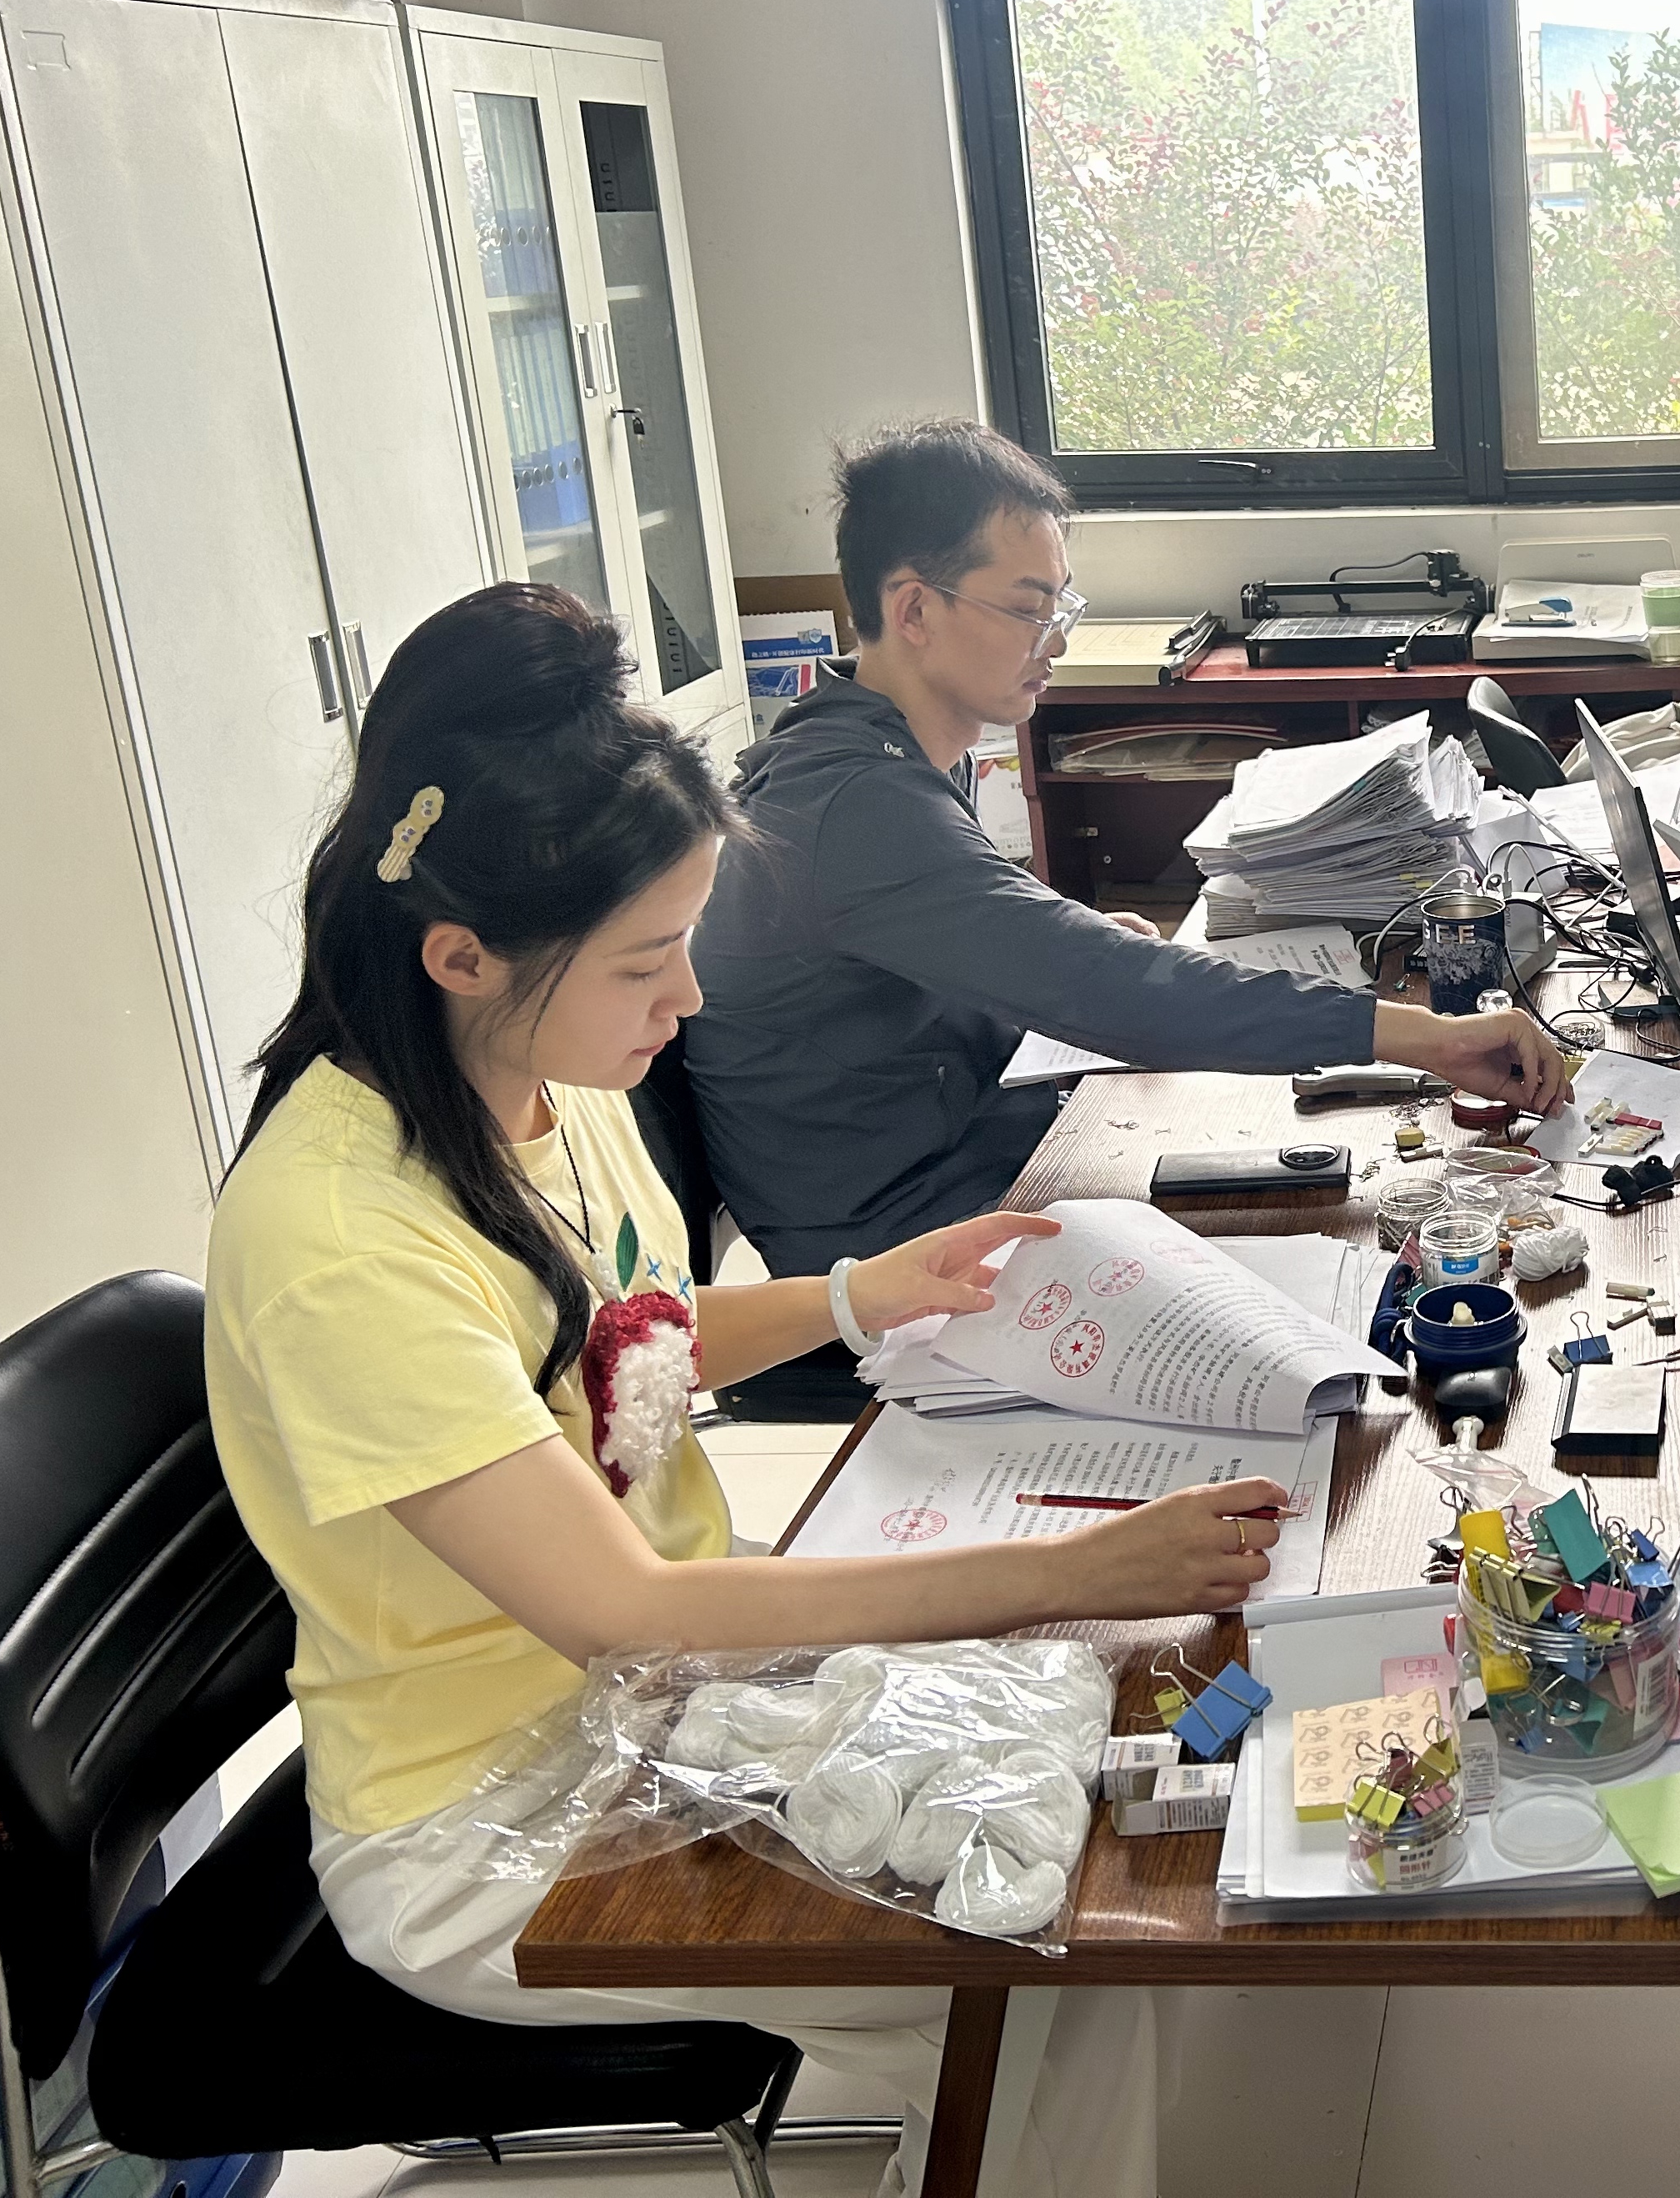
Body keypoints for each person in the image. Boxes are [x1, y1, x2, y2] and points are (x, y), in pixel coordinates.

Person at [208, 583, 1267, 2195]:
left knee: (1089, 1841)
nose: (687, 998)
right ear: (461, 954)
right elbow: (621, 1606)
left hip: (676, 1699)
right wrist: (1066, 1570)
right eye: (647, 961)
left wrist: (858, 1291)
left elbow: (616, 1341)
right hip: (493, 1814)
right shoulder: (342, 1237)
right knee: (1051, 1973)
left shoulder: (533, 1068)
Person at [689, 419, 1563, 1279]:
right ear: (914, 609)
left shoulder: (876, 752)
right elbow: (1107, 990)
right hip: (900, 1252)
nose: (1058, 639)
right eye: (1028, 609)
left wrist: (1055, 938)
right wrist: (1429, 1038)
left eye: (1059, 605)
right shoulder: (854, 804)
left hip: (980, 1154)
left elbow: (969, 943)